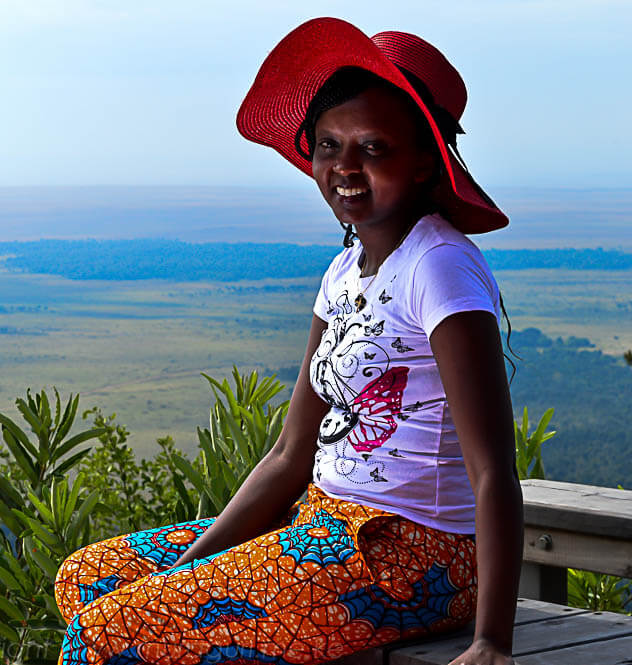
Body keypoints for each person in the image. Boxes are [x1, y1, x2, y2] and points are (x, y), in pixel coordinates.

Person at [54, 17, 522, 665]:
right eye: (328, 145)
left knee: (104, 632)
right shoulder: (344, 271)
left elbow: (494, 467)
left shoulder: (438, 266)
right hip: (322, 526)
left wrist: (493, 641)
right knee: (90, 578)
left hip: (412, 554)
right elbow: (289, 452)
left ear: (423, 161)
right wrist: (187, 568)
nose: (344, 168)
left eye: (373, 147)